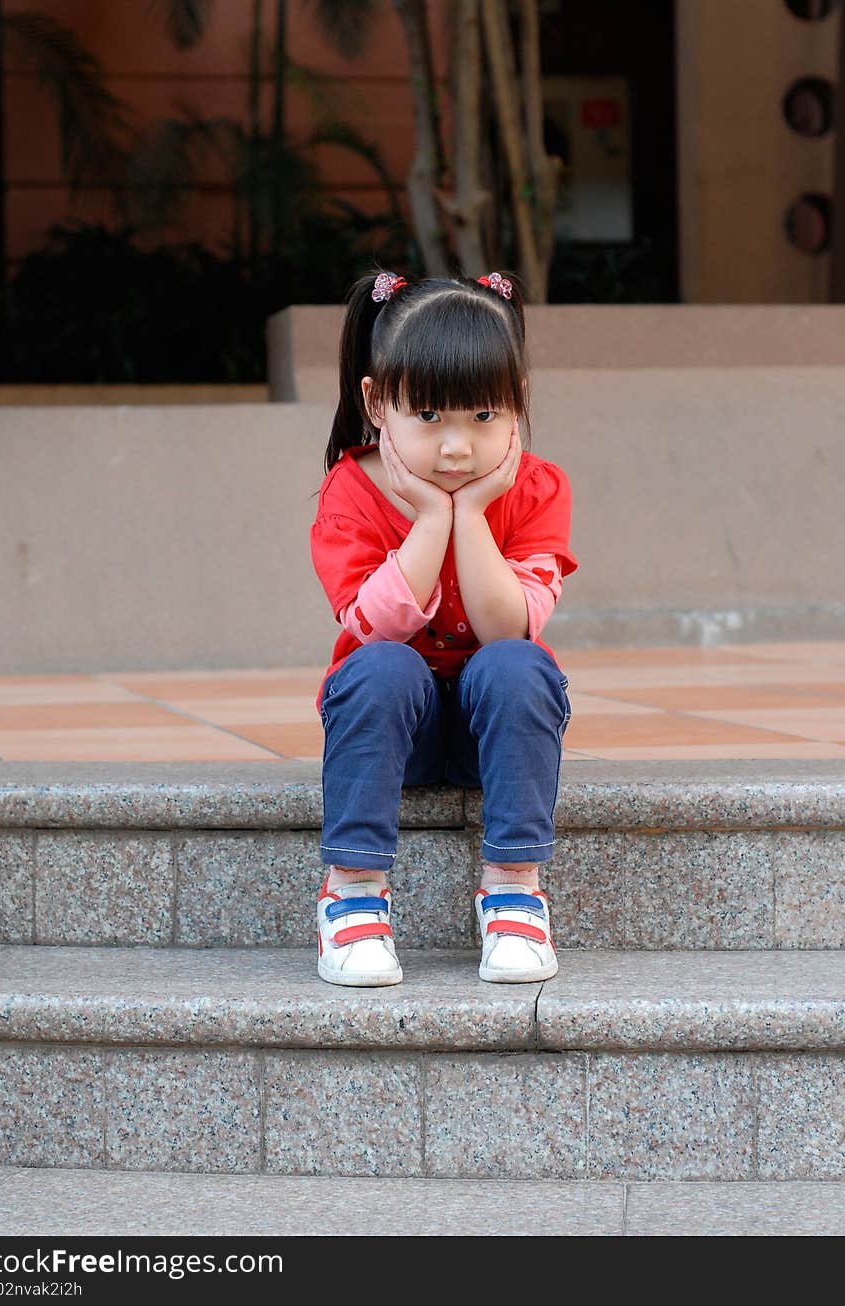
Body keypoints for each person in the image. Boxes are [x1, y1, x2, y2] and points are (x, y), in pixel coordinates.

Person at [309, 268, 578, 988]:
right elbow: (376, 626)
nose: (457, 446)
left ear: (516, 405)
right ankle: (353, 895)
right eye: (429, 417)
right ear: (375, 402)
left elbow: (505, 627)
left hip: (500, 730)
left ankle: (516, 890)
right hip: (400, 729)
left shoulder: (537, 489)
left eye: (482, 417)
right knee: (381, 665)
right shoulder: (351, 491)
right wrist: (431, 518)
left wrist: (471, 514)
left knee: (519, 664)